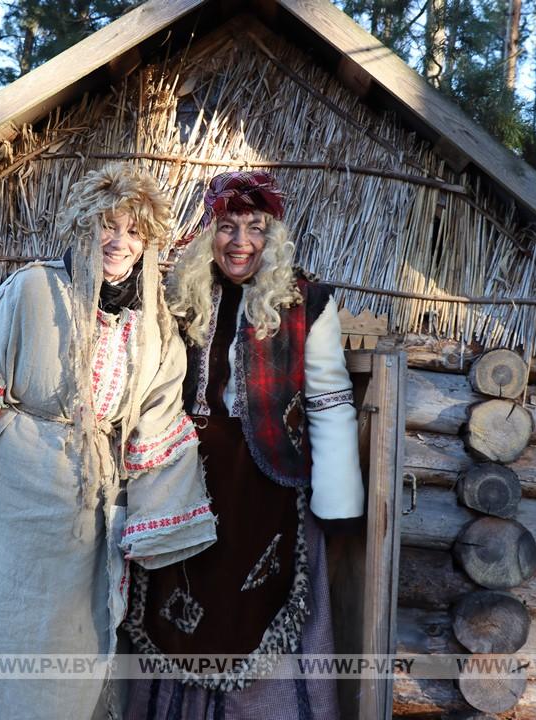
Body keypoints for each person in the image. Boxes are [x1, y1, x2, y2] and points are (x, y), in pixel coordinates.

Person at [0, 164, 217, 719]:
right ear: (83, 224)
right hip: (9, 505)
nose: (119, 242)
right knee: (0, 639)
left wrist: (155, 522)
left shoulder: (156, 325)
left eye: (135, 232)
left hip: (87, 518)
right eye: (108, 225)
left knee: (74, 650)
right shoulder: (32, 288)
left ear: (149, 243)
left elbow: (159, 420)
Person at [124, 171, 364, 719]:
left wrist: (338, 502)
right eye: (228, 227)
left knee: (256, 606)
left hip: (267, 479)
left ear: (273, 235)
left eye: (256, 228)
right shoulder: (180, 296)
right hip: (184, 477)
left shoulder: (307, 302)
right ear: (210, 232)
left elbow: (328, 400)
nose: (241, 243)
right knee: (178, 606)